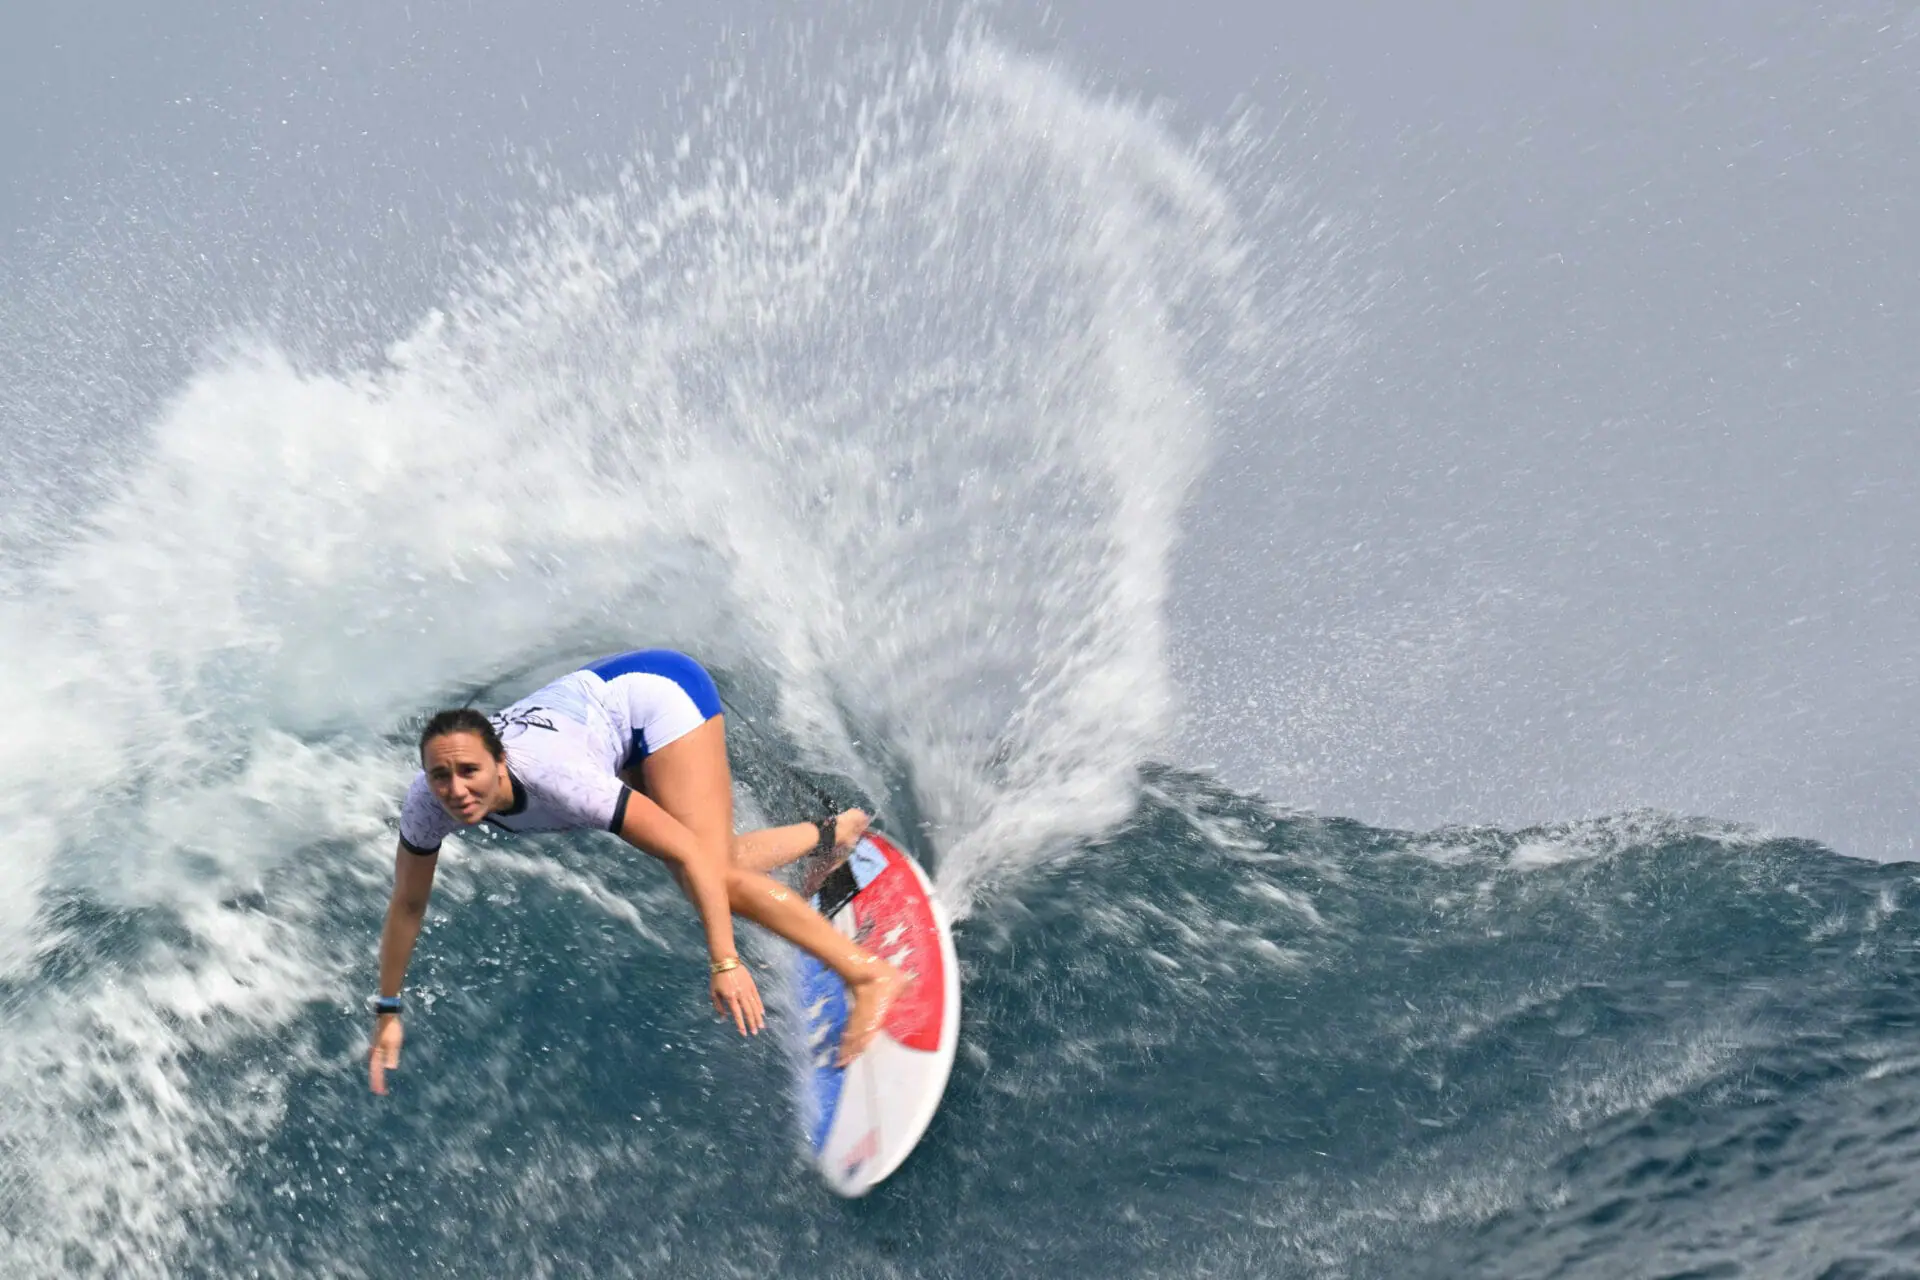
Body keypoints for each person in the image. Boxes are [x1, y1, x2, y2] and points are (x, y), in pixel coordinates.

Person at [367, 648, 904, 1095]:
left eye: (469, 771)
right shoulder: (428, 804)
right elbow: (408, 904)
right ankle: (835, 834)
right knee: (713, 865)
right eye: (440, 776)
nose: (455, 790)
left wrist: (724, 961)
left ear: (500, 761)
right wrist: (388, 1009)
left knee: (710, 874)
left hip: (654, 698)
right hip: (601, 718)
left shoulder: (560, 779)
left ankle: (869, 974)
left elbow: (693, 857)